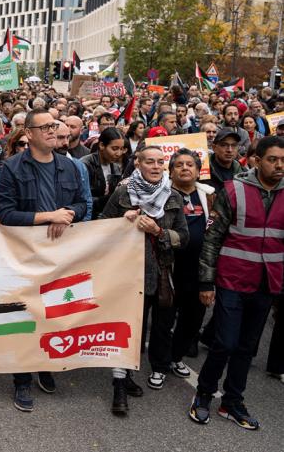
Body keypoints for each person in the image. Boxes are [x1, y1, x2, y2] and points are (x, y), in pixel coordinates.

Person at [189, 136, 284, 430]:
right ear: (257, 160)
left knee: (247, 348)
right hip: (232, 279)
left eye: (283, 160)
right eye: (273, 159)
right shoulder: (234, 190)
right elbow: (213, 238)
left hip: (268, 284)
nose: (279, 165)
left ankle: (232, 401)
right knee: (225, 343)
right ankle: (203, 394)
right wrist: (206, 282)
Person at [0, 108, 87, 412]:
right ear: (30, 134)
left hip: (59, 255)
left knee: (53, 311)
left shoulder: (70, 167)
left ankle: (45, 363)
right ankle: (22, 379)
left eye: (54, 125)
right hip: (25, 255)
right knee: (23, 315)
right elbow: (6, 214)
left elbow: (82, 204)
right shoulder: (11, 168)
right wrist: (48, 216)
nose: (52, 130)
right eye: (45, 127)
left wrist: (71, 213)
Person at [100, 145, 188, 416]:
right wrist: (122, 222)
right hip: (127, 273)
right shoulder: (123, 192)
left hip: (158, 275)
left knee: (156, 327)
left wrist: (159, 231)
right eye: (149, 161)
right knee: (126, 330)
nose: (155, 166)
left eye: (160, 162)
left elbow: (183, 238)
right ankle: (120, 385)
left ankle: (135, 372)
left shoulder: (172, 196)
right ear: (137, 164)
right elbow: (102, 224)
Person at [168, 149, 214, 376]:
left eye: (190, 165)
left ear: (198, 171)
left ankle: (175, 357)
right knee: (163, 318)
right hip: (169, 269)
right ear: (171, 171)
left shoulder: (210, 196)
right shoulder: (161, 195)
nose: (185, 168)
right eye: (179, 165)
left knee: (192, 320)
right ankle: (159, 363)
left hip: (199, 271)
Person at [80, 128, 126, 220]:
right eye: (114, 149)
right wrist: (105, 200)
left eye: (121, 149)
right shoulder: (85, 164)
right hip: (88, 218)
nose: (119, 153)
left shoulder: (116, 167)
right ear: (101, 145)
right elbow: (81, 198)